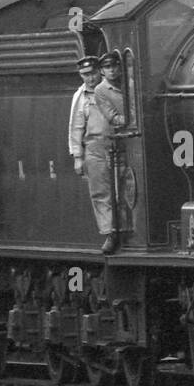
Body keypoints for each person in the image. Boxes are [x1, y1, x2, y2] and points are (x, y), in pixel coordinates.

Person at [70, 54, 124, 254]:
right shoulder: (81, 96)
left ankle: (122, 228)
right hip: (94, 146)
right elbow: (76, 127)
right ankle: (109, 232)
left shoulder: (110, 90)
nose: (89, 78)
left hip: (117, 144)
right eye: (85, 74)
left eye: (92, 73)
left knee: (120, 190)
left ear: (99, 72)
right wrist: (77, 156)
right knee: (100, 192)